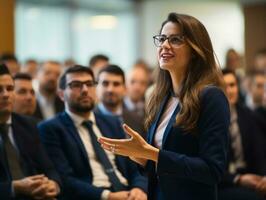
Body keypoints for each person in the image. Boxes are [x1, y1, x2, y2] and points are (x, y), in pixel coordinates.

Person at [98, 12, 230, 200]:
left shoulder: (211, 96)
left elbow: (212, 170)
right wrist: (140, 157)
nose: (165, 45)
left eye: (175, 40)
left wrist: (152, 153)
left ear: (195, 50)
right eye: (162, 39)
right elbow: (161, 166)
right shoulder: (161, 97)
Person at [38, 65, 147, 200]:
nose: (85, 90)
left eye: (89, 84)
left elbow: (133, 167)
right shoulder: (50, 128)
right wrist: (108, 196)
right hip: (93, 195)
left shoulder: (112, 122)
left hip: (127, 192)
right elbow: (64, 179)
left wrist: (139, 188)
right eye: (76, 85)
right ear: (61, 94)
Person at [0, 64, 61, 200]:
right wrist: (14, 187)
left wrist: (53, 184)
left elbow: (49, 167)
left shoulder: (30, 125)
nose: (6, 95)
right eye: (0, 90)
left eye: (10, 89)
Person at [219, 69, 266, 200]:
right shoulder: (210, 119)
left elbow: (259, 152)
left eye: (232, 85)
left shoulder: (248, 115)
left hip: (250, 176)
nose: (229, 91)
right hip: (224, 183)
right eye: (224, 86)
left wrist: (263, 178)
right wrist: (237, 179)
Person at [95, 64, 146, 138]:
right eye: (105, 83)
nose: (110, 89)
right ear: (96, 87)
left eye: (116, 84)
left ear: (125, 88)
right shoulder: (89, 120)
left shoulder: (137, 120)